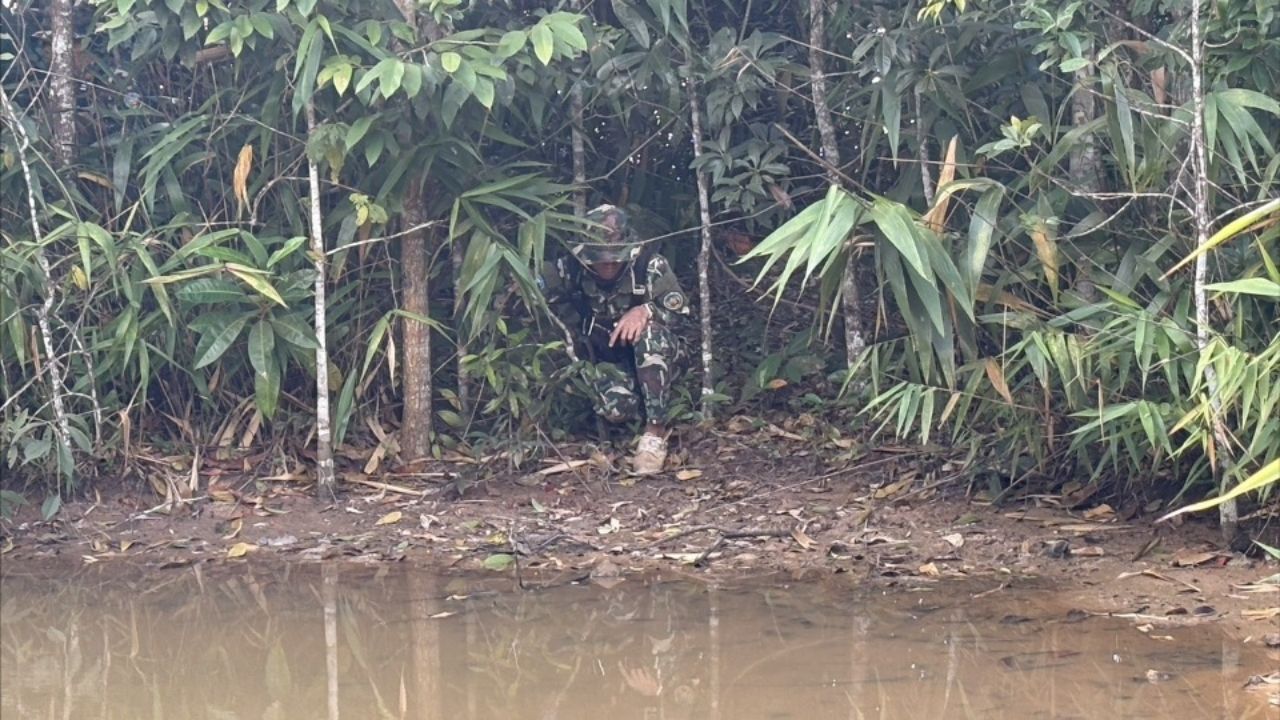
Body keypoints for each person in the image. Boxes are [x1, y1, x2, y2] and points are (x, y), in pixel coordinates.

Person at [538, 204, 690, 475]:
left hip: (659, 356)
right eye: (600, 257)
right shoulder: (569, 269)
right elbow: (537, 295)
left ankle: (655, 432)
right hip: (607, 358)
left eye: (614, 256)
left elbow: (680, 313)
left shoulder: (649, 266)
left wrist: (646, 310)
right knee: (617, 409)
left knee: (650, 333)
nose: (608, 263)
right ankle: (626, 404)